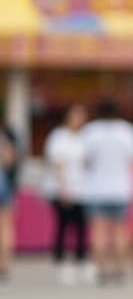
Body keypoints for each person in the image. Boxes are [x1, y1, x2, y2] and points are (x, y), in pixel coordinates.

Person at [80, 99, 133, 283]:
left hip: (96, 189)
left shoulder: (90, 131)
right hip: (122, 188)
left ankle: (101, 269)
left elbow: (85, 161)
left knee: (98, 231)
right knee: (120, 230)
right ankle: (120, 268)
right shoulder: (127, 131)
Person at [43, 104, 90, 285]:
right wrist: (63, 187)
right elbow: (57, 162)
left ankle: (81, 260)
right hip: (62, 188)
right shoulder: (58, 137)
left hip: (83, 189)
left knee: (81, 226)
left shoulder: (85, 137)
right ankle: (61, 261)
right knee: (63, 225)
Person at [0, 121, 20, 280]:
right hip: (2, 185)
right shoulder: (4, 137)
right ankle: (4, 264)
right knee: (5, 225)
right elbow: (9, 161)